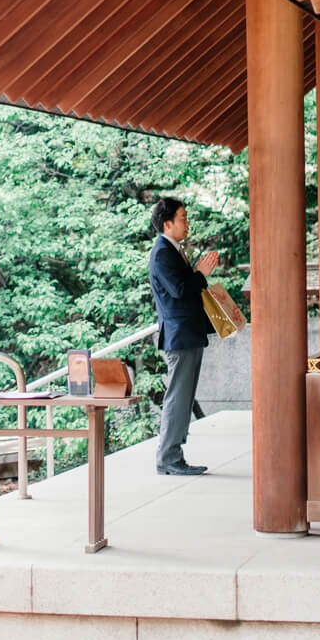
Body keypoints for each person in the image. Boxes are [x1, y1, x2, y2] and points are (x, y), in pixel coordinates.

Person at [148, 197, 219, 476]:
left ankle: (173, 455)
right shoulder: (163, 252)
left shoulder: (172, 249)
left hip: (186, 332)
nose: (187, 223)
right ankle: (168, 457)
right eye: (183, 218)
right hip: (179, 335)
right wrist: (200, 273)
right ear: (167, 224)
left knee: (183, 395)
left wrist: (199, 273)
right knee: (178, 396)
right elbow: (179, 290)